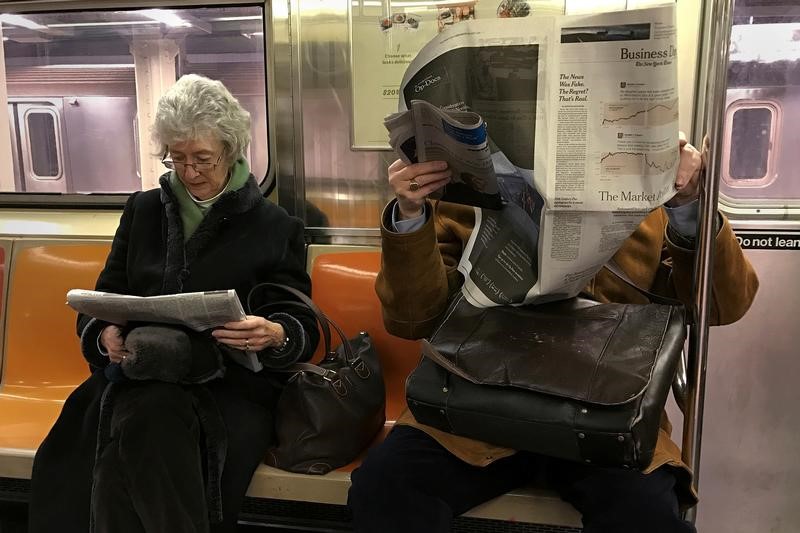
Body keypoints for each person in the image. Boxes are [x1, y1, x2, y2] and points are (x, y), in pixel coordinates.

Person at [347, 136, 759, 533]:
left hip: (605, 409)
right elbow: (412, 320)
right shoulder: (462, 197)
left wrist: (688, 207)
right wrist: (410, 212)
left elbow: (723, 307)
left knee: (645, 513)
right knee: (385, 487)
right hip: (478, 401)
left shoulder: (648, 197)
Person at [29, 74, 319, 533]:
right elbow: (105, 296)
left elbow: (299, 320)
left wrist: (274, 332)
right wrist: (103, 334)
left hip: (227, 383)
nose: (189, 172)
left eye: (203, 158)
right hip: (136, 367)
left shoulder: (274, 225)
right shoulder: (142, 211)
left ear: (232, 150)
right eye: (177, 158)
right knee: (144, 415)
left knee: (141, 425)